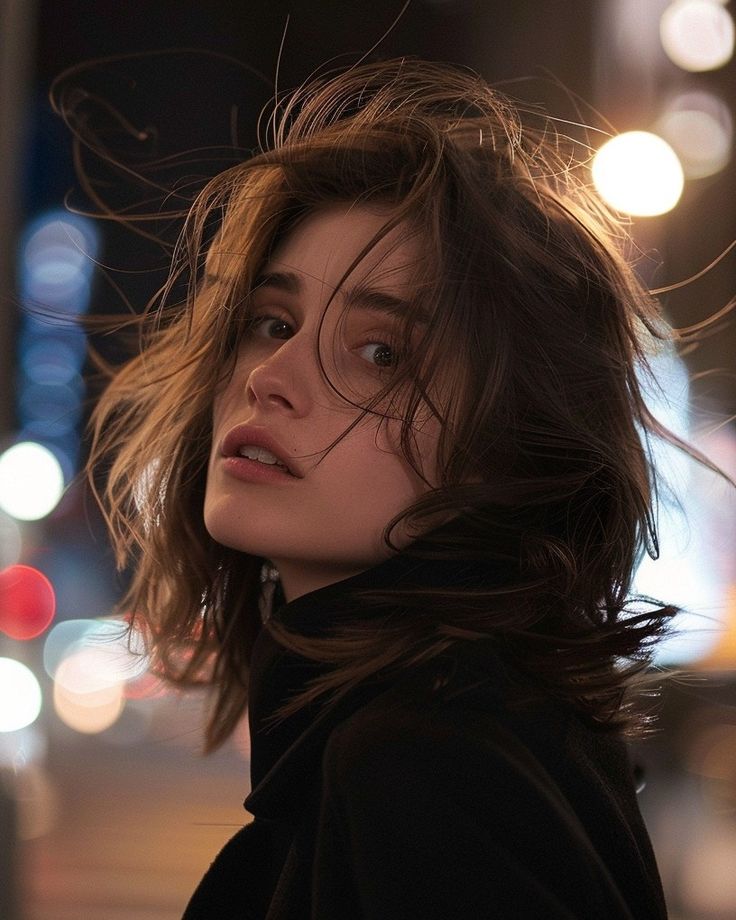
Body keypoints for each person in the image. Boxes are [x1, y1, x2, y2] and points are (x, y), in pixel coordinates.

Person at [85, 58, 678, 918]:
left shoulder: (431, 763)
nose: (273, 378)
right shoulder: (460, 727)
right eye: (272, 323)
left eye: (380, 353)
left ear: (506, 451)